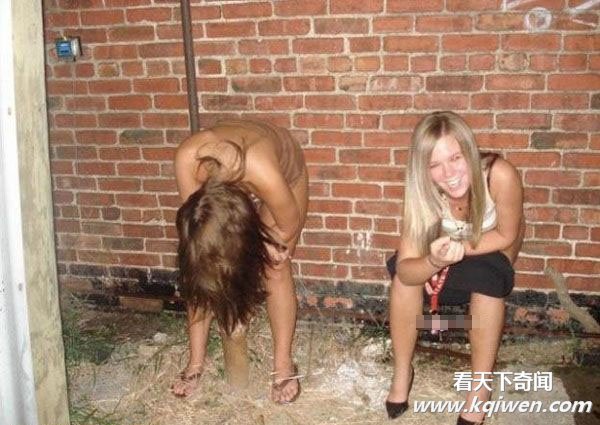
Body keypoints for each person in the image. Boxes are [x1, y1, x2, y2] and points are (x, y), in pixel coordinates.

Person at [385, 111, 524, 424]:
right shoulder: (422, 192)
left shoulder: (498, 174)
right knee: (404, 282)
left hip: (490, 246)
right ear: (422, 169)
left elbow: (507, 234)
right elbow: (405, 269)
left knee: (487, 283)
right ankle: (402, 371)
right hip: (445, 252)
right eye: (434, 164)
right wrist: (434, 261)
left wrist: (460, 248)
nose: (448, 173)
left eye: (456, 158)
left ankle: (480, 387)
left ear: (469, 151)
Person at [171, 118, 308, 403]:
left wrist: (265, 248)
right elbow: (198, 235)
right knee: (201, 263)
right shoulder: (186, 158)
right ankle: (195, 362)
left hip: (285, 171)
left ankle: (283, 363)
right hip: (242, 163)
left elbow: (288, 225)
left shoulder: (265, 173)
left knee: (276, 266)